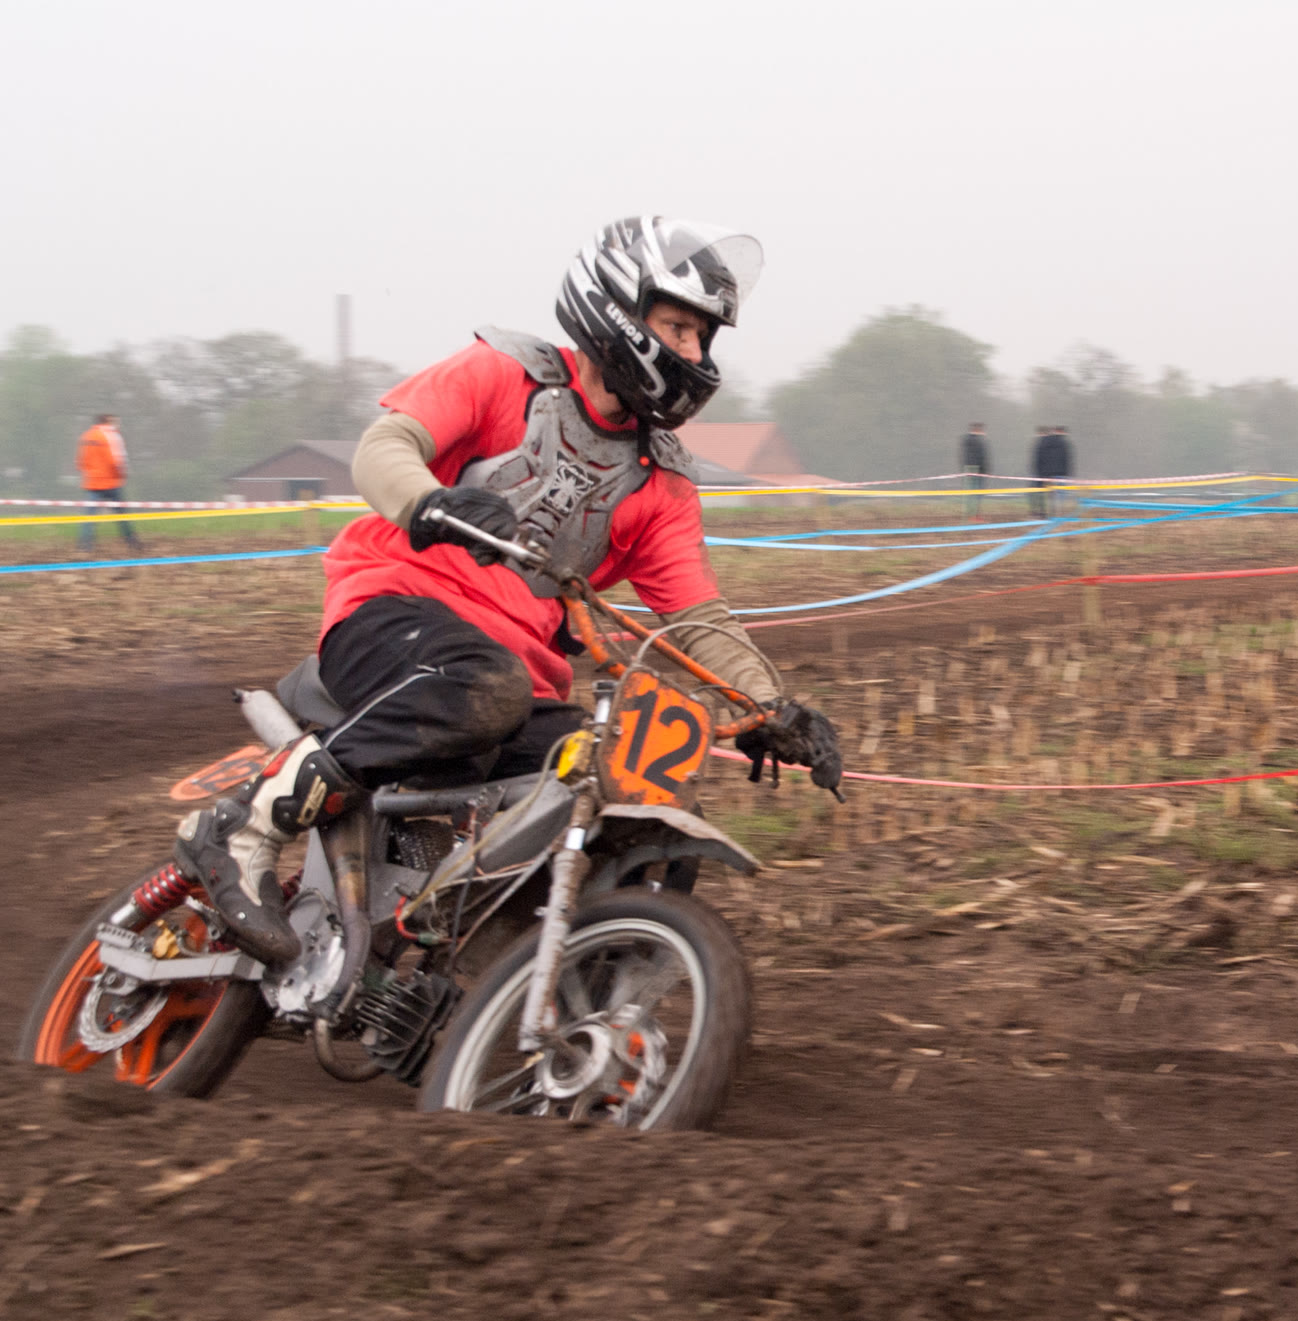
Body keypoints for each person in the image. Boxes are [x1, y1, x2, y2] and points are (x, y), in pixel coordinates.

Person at [173, 217, 843, 966]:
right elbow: (385, 447)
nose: (692, 353)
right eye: (678, 328)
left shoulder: (661, 481)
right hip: (393, 614)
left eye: (702, 338)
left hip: (517, 681)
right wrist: (429, 503)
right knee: (483, 687)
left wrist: (768, 705)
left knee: (625, 786)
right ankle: (245, 828)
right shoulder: (505, 374)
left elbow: (696, 614)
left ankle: (508, 980)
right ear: (617, 309)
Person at [75, 414, 143, 553]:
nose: (117, 425)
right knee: (122, 515)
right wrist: (122, 474)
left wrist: (90, 473)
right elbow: (117, 460)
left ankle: (85, 545)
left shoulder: (86, 436)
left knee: (89, 516)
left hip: (93, 482)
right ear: (108, 422)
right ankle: (132, 542)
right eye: (115, 422)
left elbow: (81, 461)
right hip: (111, 482)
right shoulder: (112, 436)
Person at [1030, 424, 1073, 517]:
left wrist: (1041, 473)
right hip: (1061, 473)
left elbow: (1040, 458)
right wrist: (1068, 473)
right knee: (1060, 493)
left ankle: (1047, 512)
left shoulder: (1044, 442)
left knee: (1048, 493)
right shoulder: (1064, 443)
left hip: (1047, 473)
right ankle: (1059, 512)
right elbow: (1067, 459)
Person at [959, 421, 989, 519]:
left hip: (968, 470)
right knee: (977, 493)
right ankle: (975, 515)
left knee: (969, 493)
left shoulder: (965, 440)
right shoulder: (978, 441)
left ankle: (969, 514)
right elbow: (981, 457)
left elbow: (962, 457)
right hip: (978, 471)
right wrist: (985, 470)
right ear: (978, 430)